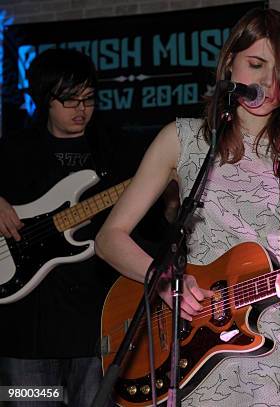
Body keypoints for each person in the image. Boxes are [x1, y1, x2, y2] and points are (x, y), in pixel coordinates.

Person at [95, 7, 280, 406]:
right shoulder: (183, 139)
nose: (266, 82)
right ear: (229, 63)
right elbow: (109, 238)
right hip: (198, 346)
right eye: (255, 64)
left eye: (279, 72)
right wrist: (163, 282)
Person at [0, 48, 131, 406]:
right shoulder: (11, 150)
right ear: (45, 100)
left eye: (88, 99)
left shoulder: (114, 149)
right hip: (25, 332)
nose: (81, 110)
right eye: (70, 100)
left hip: (93, 328)